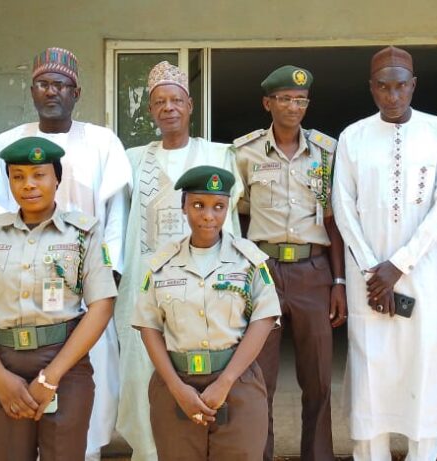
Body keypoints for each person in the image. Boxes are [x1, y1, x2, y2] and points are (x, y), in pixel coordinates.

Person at [0, 47, 129, 459]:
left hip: (80, 306)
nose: (51, 92)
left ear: (77, 92)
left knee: (79, 419)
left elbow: (116, 216)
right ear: (32, 90)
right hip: (15, 297)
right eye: (43, 84)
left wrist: (100, 281)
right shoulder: (7, 143)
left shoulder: (101, 141)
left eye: (61, 85)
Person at [332, 46, 437, 461]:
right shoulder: (353, 136)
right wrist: (375, 271)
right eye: (383, 87)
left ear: (413, 86)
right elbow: (342, 208)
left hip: (422, 275)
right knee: (372, 374)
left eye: (400, 86)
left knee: (425, 366)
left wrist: (399, 265)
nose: (393, 96)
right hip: (367, 281)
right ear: (372, 88)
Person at [116, 60, 242, 460]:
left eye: (175, 100)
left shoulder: (220, 154)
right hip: (150, 287)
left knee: (207, 368)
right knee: (145, 372)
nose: (167, 108)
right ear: (150, 111)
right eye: (159, 102)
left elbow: (233, 224)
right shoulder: (132, 159)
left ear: (189, 106)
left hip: (207, 285)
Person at [234, 64, 345, 461]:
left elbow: (334, 222)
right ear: (268, 103)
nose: (293, 107)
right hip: (263, 271)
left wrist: (339, 283)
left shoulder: (327, 152)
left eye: (300, 100)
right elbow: (239, 216)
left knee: (317, 378)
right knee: (259, 376)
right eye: (284, 99)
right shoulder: (244, 153)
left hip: (313, 271)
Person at [132, 166, 280, 461]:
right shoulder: (162, 264)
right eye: (198, 205)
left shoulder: (248, 260)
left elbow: (263, 321)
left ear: (228, 208)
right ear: (183, 205)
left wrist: (225, 382)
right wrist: (176, 387)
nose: (208, 215)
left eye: (218, 207)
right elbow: (148, 327)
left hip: (237, 383)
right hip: (176, 383)